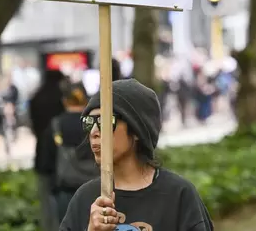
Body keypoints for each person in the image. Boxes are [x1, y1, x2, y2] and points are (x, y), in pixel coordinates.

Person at [60, 79, 213, 230]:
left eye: (104, 122)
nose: (94, 132)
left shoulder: (178, 195)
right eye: (89, 122)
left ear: (137, 130)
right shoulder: (85, 198)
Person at [40, 82, 98, 222]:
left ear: (64, 101)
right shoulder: (95, 124)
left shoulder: (56, 125)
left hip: (66, 188)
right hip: (96, 186)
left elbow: (46, 162)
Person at [29, 69, 68, 231]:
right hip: (62, 156)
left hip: (42, 154)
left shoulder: (36, 98)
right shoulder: (62, 100)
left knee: (46, 199)